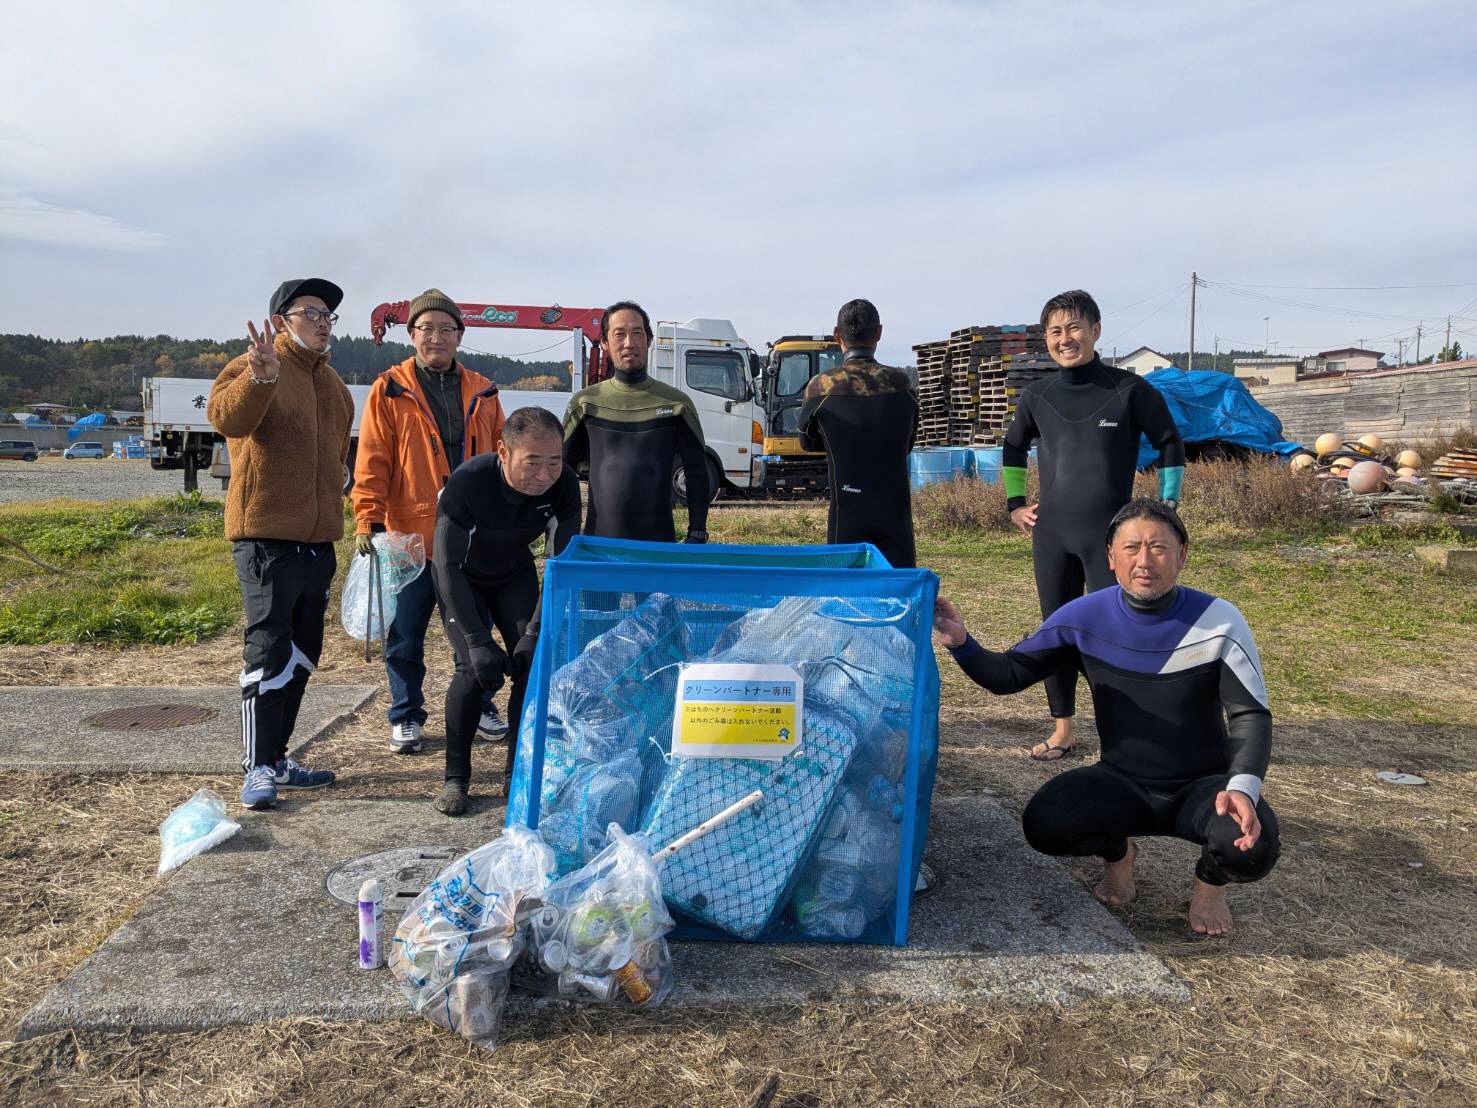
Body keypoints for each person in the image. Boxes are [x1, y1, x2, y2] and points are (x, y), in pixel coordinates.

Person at [934, 499, 1279, 935]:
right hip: (1123, 781)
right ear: (1111, 557)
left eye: (1159, 547)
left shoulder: (1218, 620)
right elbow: (1008, 675)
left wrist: (1242, 787)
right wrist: (962, 643)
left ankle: (1209, 886)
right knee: (1046, 825)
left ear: (1182, 555)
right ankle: (1119, 853)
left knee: (1251, 847)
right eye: (1131, 548)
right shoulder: (1084, 617)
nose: (1145, 560)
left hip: (1204, 786)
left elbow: (1250, 713)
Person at [1003, 289, 1185, 760]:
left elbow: (1169, 441)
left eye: (1074, 328)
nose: (1066, 339)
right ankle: (1063, 728)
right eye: (1056, 332)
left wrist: (1166, 505)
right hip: (1053, 535)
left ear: (1096, 330)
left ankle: (1123, 731)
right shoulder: (1037, 395)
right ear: (1046, 339)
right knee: (1056, 631)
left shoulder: (1128, 389)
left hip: (1112, 539)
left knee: (1119, 631)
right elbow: (1012, 448)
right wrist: (1016, 503)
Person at [207, 278, 354, 810]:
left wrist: (340, 481)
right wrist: (259, 378)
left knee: (301, 654)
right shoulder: (254, 366)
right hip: (265, 536)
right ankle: (257, 767)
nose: (321, 321)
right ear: (281, 320)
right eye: (310, 311)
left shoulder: (334, 384)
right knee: (267, 649)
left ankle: (280, 755)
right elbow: (227, 419)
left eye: (328, 315)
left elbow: (337, 455)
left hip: (318, 541)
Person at [352, 289, 506, 755]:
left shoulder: (483, 389)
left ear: (460, 335)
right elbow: (373, 457)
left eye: (446, 328)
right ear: (411, 334)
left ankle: (479, 704)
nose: (436, 337)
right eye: (426, 329)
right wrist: (367, 518)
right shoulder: (390, 388)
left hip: (468, 535)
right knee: (406, 633)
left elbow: (502, 457)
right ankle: (405, 714)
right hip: (409, 535)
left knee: (473, 629)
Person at [430, 407, 581, 815]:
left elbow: (560, 566)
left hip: (514, 575)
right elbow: (445, 565)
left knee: (531, 667)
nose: (545, 474)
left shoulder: (564, 486)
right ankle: (456, 778)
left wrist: (534, 632)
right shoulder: (469, 483)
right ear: (503, 451)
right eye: (532, 462)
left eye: (554, 462)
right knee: (471, 669)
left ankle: (517, 772)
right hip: (462, 578)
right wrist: (477, 641)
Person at [563, 300, 709, 543]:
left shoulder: (677, 405)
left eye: (637, 333)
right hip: (598, 548)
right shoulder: (586, 403)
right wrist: (562, 536)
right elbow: (562, 475)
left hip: (658, 548)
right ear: (606, 344)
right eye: (619, 334)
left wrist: (697, 532)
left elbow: (696, 474)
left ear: (649, 340)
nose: (629, 343)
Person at [797, 298, 918, 567]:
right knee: (899, 595)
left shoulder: (821, 387)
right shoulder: (902, 384)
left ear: (837, 335)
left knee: (844, 597)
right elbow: (908, 442)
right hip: (894, 515)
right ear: (878, 333)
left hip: (847, 511)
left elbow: (807, 442)